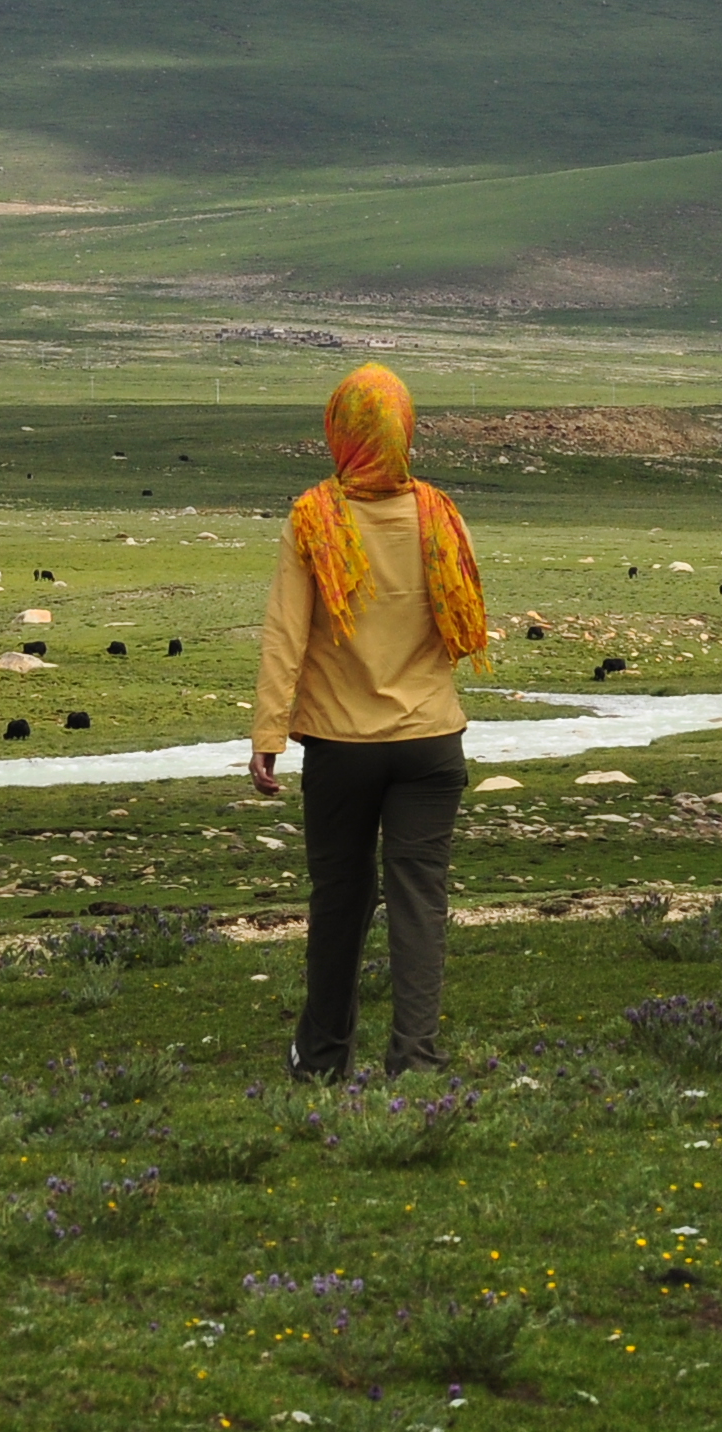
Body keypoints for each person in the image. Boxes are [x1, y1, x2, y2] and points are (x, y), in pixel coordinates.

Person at [251, 364, 493, 1081]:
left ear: (341, 431)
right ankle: (415, 1060)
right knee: (421, 903)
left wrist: (269, 736)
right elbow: (469, 625)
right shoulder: (441, 514)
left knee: (340, 901)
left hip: (340, 746)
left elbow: (284, 635)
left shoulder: (314, 518)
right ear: (404, 430)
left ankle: (322, 1061)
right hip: (431, 742)